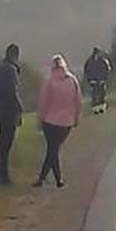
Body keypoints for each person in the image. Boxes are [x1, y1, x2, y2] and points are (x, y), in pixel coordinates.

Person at [33, 54, 82, 188]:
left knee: (52, 150)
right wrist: (76, 118)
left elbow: (43, 103)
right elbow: (77, 102)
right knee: (54, 149)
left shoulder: (49, 82)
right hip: (67, 122)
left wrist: (40, 120)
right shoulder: (73, 81)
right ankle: (56, 179)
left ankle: (44, 178)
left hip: (50, 121)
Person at [0, 43, 23, 185]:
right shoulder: (11, 70)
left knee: (2, 145)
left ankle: (1, 174)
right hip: (10, 111)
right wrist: (20, 108)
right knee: (6, 145)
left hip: (0, 110)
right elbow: (13, 92)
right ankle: (4, 177)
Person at [83, 47, 113, 114]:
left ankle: (101, 108)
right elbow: (87, 70)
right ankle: (96, 109)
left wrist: (105, 79)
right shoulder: (90, 61)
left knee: (102, 94)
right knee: (94, 95)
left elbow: (107, 70)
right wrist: (89, 79)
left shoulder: (103, 61)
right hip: (94, 80)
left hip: (101, 80)